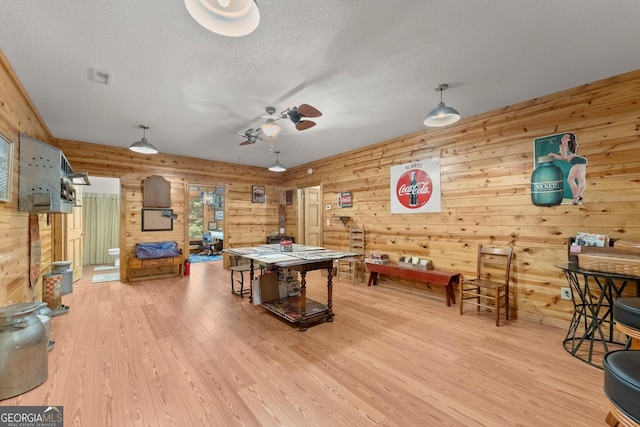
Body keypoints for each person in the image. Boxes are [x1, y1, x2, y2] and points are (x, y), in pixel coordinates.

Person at [548, 133, 587, 205]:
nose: (563, 137)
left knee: (571, 179)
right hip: (579, 160)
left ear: (569, 139)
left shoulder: (563, 145)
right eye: (563, 136)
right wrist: (554, 156)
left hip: (576, 161)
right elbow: (565, 156)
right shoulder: (566, 146)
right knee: (580, 179)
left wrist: (553, 155)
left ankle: (577, 198)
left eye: (566, 137)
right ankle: (578, 198)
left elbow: (564, 157)